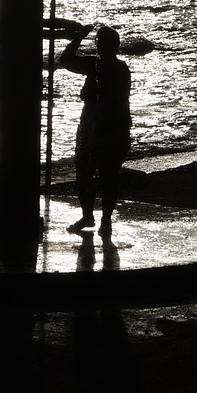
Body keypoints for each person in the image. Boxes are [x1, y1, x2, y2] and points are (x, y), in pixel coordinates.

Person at [59, 24, 132, 237]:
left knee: (108, 176)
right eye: (98, 43)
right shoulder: (94, 65)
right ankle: (88, 215)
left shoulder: (119, 69)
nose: (99, 47)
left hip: (112, 126)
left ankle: (106, 220)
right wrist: (80, 36)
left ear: (114, 46)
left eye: (103, 43)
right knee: (84, 173)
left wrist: (101, 122)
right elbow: (66, 60)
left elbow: (115, 100)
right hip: (92, 124)